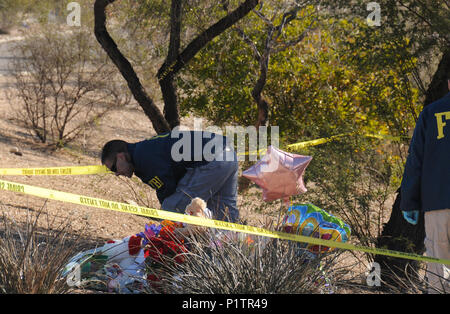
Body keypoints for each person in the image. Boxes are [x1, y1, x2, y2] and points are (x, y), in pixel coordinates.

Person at [101, 130, 239, 222]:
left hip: (212, 160)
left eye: (114, 168)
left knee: (170, 209)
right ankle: (236, 253)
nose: (117, 174)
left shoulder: (142, 157)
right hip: (228, 153)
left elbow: (169, 187)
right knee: (225, 213)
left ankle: (173, 259)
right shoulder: (144, 149)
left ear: (121, 156)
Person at [400, 74, 450, 294]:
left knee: (438, 268)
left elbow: (416, 160)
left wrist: (409, 201)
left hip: (437, 203)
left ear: (449, 83)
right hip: (436, 201)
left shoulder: (431, 113)